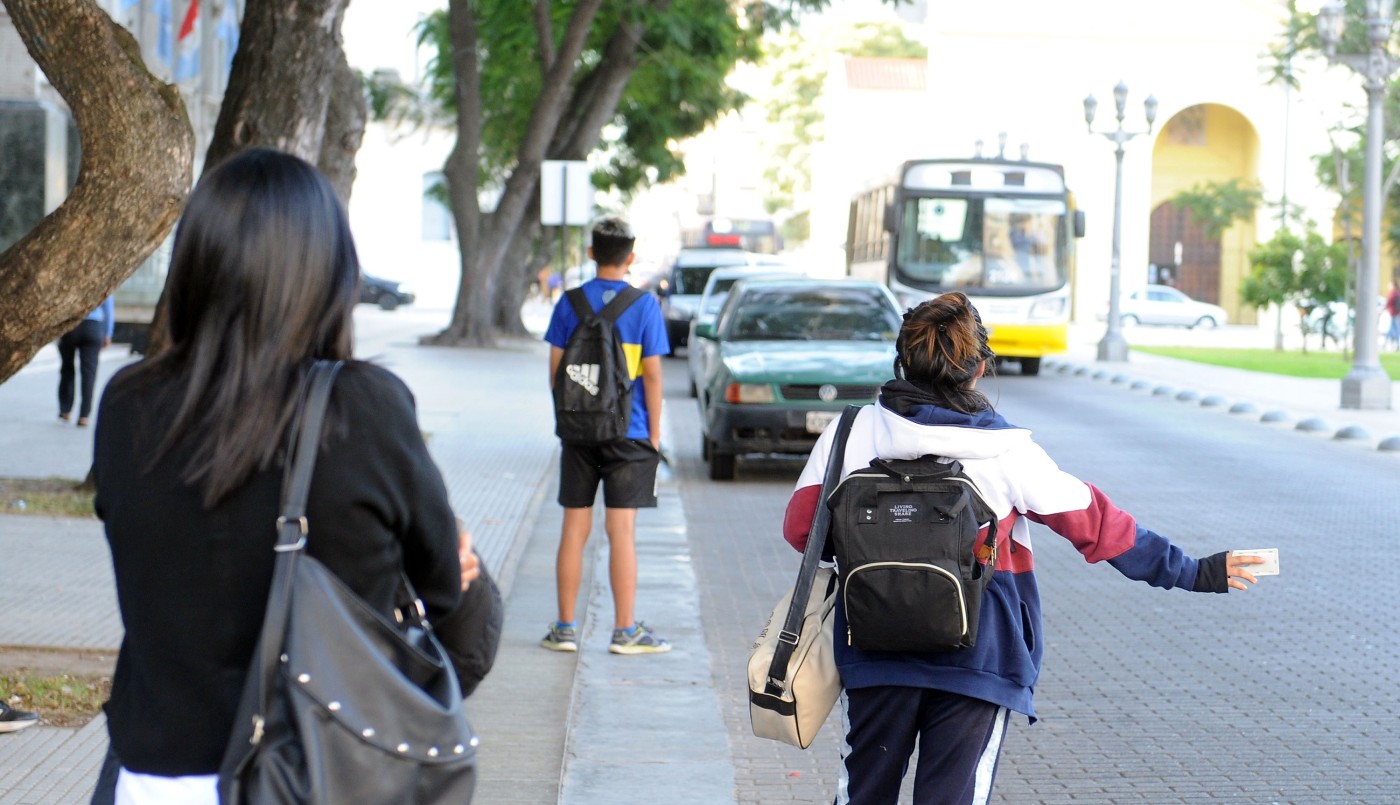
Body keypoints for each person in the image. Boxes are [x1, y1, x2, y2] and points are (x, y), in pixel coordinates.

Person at [89, 148, 480, 804]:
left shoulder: (128, 404)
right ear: (330, 274)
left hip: (155, 778)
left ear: (195, 265)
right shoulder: (365, 407)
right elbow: (442, 590)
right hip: (317, 774)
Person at [781, 292, 1266, 805]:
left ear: (901, 361)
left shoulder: (850, 432)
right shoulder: (1006, 450)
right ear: (979, 368)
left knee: (863, 796)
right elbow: (1098, 526)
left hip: (875, 649)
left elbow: (800, 531)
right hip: (980, 658)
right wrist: (1196, 571)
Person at [540, 217, 671, 655]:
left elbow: (556, 372)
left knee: (574, 528)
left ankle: (563, 629)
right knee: (622, 533)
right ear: (630, 257)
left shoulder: (569, 302)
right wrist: (653, 435)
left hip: (579, 433)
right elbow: (652, 376)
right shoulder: (644, 305)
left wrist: (572, 419)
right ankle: (624, 630)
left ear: (592, 253)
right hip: (629, 434)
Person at [57, 295, 114, 427]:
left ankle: (65, 410)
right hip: (93, 327)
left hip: (70, 326)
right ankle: (84, 415)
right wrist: (108, 334)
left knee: (67, 368)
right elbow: (108, 309)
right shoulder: (103, 279)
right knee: (89, 373)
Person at [1385, 279, 1399, 351]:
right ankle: (1387, 342)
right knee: (1392, 329)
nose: (1388, 286)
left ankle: (1396, 343)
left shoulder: (1394, 294)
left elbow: (1388, 303)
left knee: (1395, 329)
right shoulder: (1396, 293)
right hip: (1394, 313)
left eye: (1390, 285)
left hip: (1394, 313)